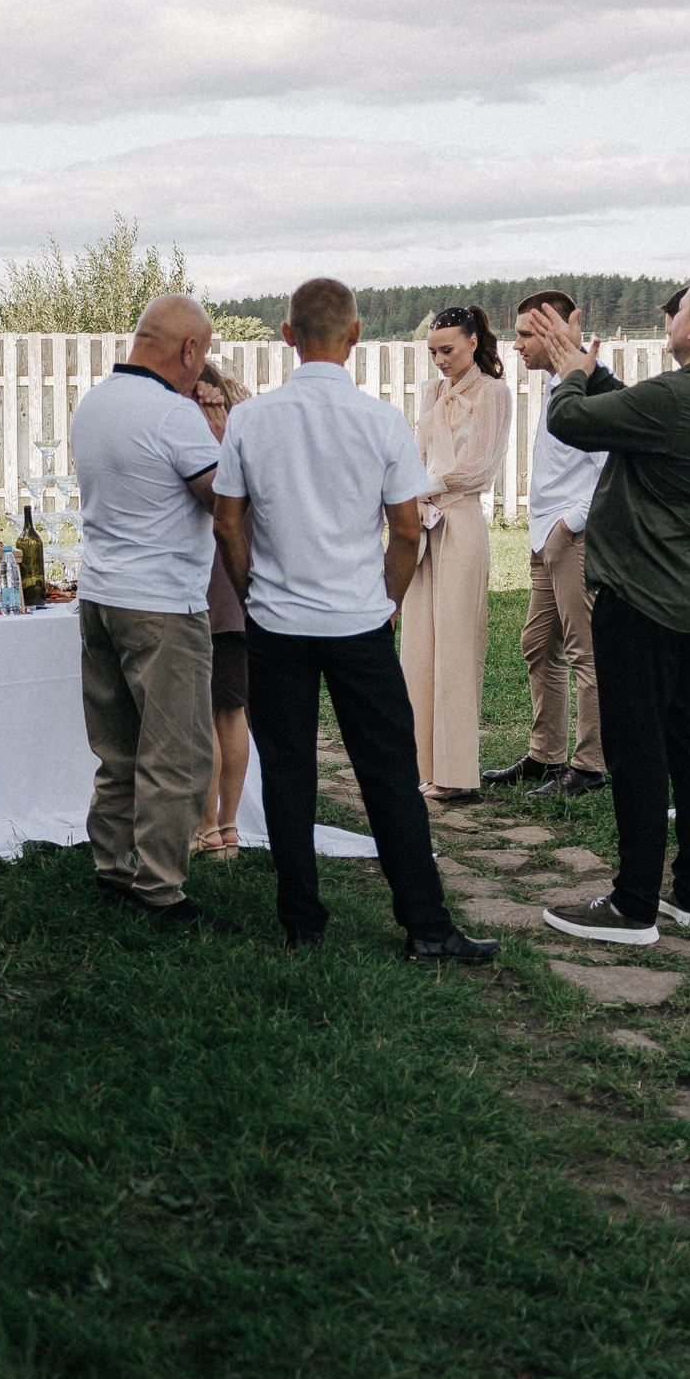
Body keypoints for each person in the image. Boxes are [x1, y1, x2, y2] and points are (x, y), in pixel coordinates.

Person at [213, 278, 497, 963]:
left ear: (287, 336)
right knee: (390, 771)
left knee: (287, 769)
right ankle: (426, 926)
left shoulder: (252, 420)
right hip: (358, 622)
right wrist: (387, 601)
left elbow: (227, 520)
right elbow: (406, 530)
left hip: (278, 621)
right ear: (357, 334)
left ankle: (302, 922)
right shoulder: (381, 421)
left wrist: (255, 592)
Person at [520, 277, 690, 948]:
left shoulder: (677, 395)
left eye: (678, 308)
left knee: (636, 747)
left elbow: (571, 421)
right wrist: (591, 369)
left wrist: (570, 374)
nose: (669, 316)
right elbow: (629, 412)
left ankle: (632, 904)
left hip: (641, 596)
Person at [71, 294, 231, 929]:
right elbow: (223, 499)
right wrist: (221, 432)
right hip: (162, 603)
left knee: (118, 748)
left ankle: (112, 869)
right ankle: (160, 891)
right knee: (177, 754)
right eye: (204, 353)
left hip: (101, 592)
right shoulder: (174, 415)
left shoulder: (95, 403)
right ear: (188, 350)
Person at [485, 290, 609, 798]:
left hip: (572, 539)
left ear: (556, 331)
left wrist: (568, 527)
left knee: (587, 653)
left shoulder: (589, 389)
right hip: (543, 540)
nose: (516, 346)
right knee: (539, 644)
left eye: (525, 334)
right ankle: (544, 755)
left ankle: (589, 766)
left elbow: (608, 469)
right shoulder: (559, 385)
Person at [400, 306, 512, 803]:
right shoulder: (430, 393)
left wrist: (429, 486)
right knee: (419, 641)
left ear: (472, 341)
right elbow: (415, 452)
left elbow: (480, 467)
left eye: (447, 350)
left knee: (457, 643)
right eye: (432, 352)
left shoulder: (493, 393)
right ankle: (420, 764)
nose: (440, 361)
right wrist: (413, 495)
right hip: (422, 522)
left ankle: (457, 770)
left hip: (461, 520)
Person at [192, 363, 253, 861]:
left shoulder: (206, 446)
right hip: (239, 594)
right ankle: (229, 827)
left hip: (206, 591)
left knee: (206, 715)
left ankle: (208, 829)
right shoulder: (243, 439)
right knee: (232, 711)